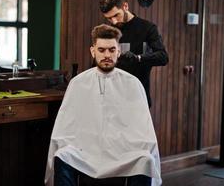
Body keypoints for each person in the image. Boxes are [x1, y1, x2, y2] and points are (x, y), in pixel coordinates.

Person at [45, 24, 161, 186]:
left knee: (145, 159)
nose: (107, 55)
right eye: (101, 50)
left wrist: (132, 145)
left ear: (119, 51)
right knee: (63, 155)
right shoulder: (78, 83)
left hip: (123, 151)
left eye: (112, 50)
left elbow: (144, 129)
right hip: (85, 151)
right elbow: (64, 128)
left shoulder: (133, 83)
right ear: (93, 51)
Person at [99, 0, 168, 107]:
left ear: (125, 6)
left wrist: (139, 58)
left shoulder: (148, 28)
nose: (114, 21)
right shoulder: (108, 32)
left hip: (139, 98)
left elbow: (163, 57)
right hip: (112, 99)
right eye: (109, 18)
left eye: (116, 15)